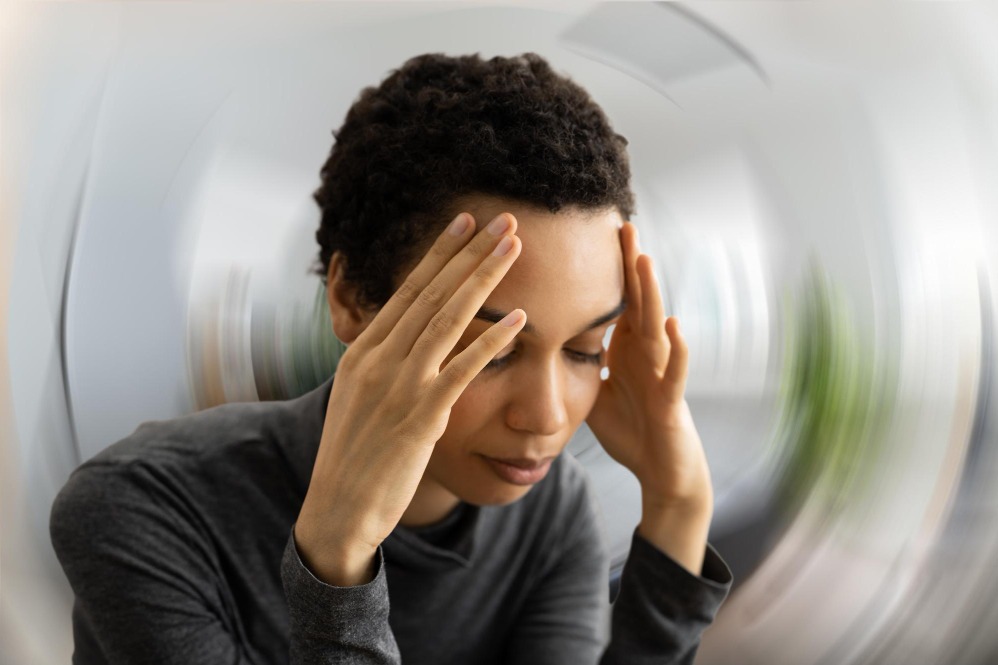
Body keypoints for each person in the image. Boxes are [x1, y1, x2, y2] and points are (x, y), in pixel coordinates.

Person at [50, 52, 733, 664]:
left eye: (585, 350)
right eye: (488, 352)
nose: (549, 416)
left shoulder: (551, 513)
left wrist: (678, 505)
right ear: (350, 297)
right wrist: (336, 560)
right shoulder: (142, 508)